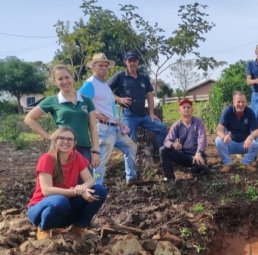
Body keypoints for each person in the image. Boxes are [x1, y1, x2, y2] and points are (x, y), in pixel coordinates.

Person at [27, 126, 107, 239]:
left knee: (99, 190)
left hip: (64, 211)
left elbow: (90, 180)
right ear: (55, 141)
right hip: (40, 209)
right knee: (60, 200)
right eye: (62, 138)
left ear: (75, 143)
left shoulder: (76, 156)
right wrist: (76, 192)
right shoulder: (47, 158)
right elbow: (47, 191)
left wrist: (82, 188)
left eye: (70, 139)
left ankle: (78, 227)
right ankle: (43, 228)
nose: (66, 142)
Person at [78, 53, 140, 186]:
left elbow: (109, 107)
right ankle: (96, 187)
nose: (104, 68)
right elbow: (78, 103)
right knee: (100, 161)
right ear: (93, 66)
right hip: (104, 129)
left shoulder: (105, 85)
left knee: (131, 147)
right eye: (100, 65)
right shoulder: (90, 84)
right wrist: (94, 115)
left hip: (115, 127)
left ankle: (132, 177)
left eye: (106, 66)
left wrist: (119, 122)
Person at [24, 65, 100, 169]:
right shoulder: (52, 100)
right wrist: (48, 136)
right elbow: (29, 118)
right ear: (55, 82)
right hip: (63, 148)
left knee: (86, 182)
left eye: (67, 77)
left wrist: (96, 151)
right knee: (63, 182)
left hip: (83, 148)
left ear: (72, 77)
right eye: (60, 79)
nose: (64, 81)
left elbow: (92, 127)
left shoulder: (86, 100)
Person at [108, 51, 168, 147]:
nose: (132, 63)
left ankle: (161, 153)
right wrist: (118, 99)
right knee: (130, 143)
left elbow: (149, 95)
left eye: (134, 60)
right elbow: (105, 89)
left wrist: (152, 113)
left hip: (144, 115)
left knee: (162, 128)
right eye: (130, 60)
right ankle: (131, 161)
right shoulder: (120, 76)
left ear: (138, 62)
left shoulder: (144, 77)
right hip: (128, 116)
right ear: (125, 62)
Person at [161, 99, 208, 185]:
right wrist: (173, 144)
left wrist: (198, 154)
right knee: (164, 150)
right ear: (179, 110)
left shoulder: (198, 122)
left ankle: (197, 167)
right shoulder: (176, 125)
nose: (186, 109)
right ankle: (170, 178)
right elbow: (166, 141)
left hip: (196, 154)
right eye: (184, 107)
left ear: (192, 110)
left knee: (201, 169)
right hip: (183, 155)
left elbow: (202, 139)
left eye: (188, 107)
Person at [214, 91, 258, 173]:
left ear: (246, 102)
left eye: (243, 102)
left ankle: (246, 162)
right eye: (238, 102)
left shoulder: (249, 112)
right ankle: (227, 164)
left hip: (245, 145)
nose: (241, 104)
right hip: (230, 143)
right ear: (233, 102)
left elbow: (257, 130)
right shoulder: (228, 111)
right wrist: (224, 137)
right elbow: (219, 128)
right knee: (218, 140)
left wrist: (250, 137)